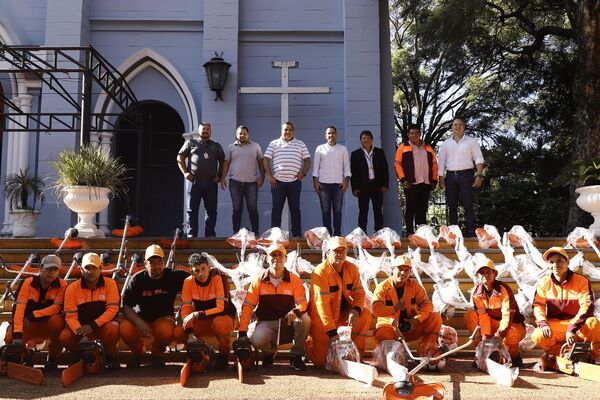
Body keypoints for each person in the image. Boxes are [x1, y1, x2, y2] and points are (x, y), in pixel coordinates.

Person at [237, 242, 310, 370]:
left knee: (305, 319)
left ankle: (296, 356)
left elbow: (303, 303)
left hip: (288, 322)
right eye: (273, 255)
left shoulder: (294, 279)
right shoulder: (259, 280)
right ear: (267, 258)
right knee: (257, 340)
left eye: (280, 255)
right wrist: (242, 332)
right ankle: (270, 352)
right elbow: (248, 306)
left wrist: (296, 311)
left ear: (286, 258)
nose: (276, 258)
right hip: (267, 322)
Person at [120, 244, 189, 368]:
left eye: (159, 261)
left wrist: (212, 271)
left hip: (164, 319)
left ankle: (156, 354)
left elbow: (197, 277)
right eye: (152, 262)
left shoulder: (174, 275)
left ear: (164, 261)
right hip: (141, 319)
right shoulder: (137, 279)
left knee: (166, 329)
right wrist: (138, 322)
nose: (157, 266)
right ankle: (137, 353)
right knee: (125, 327)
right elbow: (126, 307)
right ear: (145, 263)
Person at [307, 236, 372, 368]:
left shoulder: (352, 269)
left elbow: (359, 294)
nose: (340, 254)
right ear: (327, 253)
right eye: (336, 251)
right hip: (322, 320)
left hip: (342, 316)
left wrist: (356, 310)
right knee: (321, 362)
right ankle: (308, 344)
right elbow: (322, 306)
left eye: (343, 251)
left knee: (365, 314)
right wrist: (332, 333)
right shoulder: (320, 272)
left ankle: (356, 355)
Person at [532, 247, 600, 370]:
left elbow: (587, 305)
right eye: (551, 262)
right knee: (537, 334)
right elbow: (538, 306)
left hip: (577, 326)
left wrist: (573, 327)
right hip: (557, 325)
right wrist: (543, 324)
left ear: (567, 263)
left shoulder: (581, 281)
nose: (555, 265)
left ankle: (593, 356)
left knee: (593, 323)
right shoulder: (544, 282)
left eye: (559, 261)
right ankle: (560, 354)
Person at [5, 254, 67, 370]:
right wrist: (17, 335)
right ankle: (25, 355)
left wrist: (33, 315)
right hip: (27, 324)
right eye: (48, 268)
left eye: (55, 269)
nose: (51, 272)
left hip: (47, 325)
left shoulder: (63, 285)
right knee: (10, 337)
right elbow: (19, 308)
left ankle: (53, 358)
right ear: (41, 268)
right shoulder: (27, 283)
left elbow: (56, 308)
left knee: (58, 321)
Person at [372, 255, 442, 358]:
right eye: (400, 269)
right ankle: (391, 356)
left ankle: (426, 352)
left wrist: (417, 320)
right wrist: (394, 309)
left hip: (410, 327)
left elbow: (427, 305)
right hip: (390, 329)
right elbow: (376, 310)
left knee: (435, 318)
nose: (403, 273)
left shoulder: (415, 286)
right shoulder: (382, 287)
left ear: (410, 272)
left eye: (406, 270)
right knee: (381, 333)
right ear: (392, 270)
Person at [60, 252, 120, 369]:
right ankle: (81, 356)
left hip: (101, 327)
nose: (91, 271)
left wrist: (93, 326)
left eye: (94, 268)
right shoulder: (72, 288)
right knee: (65, 336)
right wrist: (80, 334)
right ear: (81, 269)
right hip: (81, 329)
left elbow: (113, 310)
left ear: (100, 268)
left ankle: (109, 356)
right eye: (87, 268)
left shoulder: (111, 284)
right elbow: (70, 316)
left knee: (113, 328)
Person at [464, 257, 526, 366]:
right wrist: (485, 339)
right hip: (492, 324)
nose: (485, 275)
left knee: (510, 335)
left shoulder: (504, 289)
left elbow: (507, 315)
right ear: (477, 276)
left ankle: (514, 355)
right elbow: (483, 316)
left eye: (488, 272)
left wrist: (500, 334)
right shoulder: (476, 293)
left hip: (512, 325)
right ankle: (482, 353)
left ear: (495, 274)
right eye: (481, 273)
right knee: (470, 315)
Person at [180, 253, 236, 370]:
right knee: (177, 332)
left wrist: (196, 314)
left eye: (203, 269)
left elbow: (222, 308)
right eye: (196, 270)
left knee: (221, 323)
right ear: (191, 270)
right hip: (204, 320)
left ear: (209, 267)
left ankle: (223, 355)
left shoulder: (218, 278)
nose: (200, 273)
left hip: (223, 317)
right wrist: (189, 333)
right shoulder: (188, 282)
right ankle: (202, 350)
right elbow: (185, 309)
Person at [437, 117, 484, 237]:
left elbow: (478, 158)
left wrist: (479, 175)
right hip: (451, 176)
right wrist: (440, 177)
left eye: (460, 125)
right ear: (452, 127)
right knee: (452, 205)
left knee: (468, 204)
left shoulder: (471, 141)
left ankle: (472, 233)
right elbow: (441, 161)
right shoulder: (446, 143)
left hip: (466, 176)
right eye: (455, 125)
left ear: (464, 127)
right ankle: (453, 234)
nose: (457, 127)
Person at [263, 121, 311, 238]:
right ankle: (274, 235)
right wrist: (270, 176)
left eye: (290, 130)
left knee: (295, 209)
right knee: (276, 209)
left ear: (293, 131)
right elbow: (265, 159)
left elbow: (307, 160)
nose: (288, 132)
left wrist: (303, 173)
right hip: (277, 182)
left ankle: (297, 235)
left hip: (294, 183)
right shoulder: (274, 143)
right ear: (282, 131)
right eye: (285, 130)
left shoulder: (300, 144)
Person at [177, 122, 225, 237]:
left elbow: (223, 161)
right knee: (192, 210)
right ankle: (191, 235)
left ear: (211, 131)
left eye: (208, 129)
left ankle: (210, 236)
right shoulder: (191, 143)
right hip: (195, 182)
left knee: (211, 211)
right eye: (203, 129)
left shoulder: (216, 145)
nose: (206, 131)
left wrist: (219, 176)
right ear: (198, 131)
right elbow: (180, 157)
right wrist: (185, 173)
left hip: (211, 183)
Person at [221, 125, 265, 235]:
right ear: (236, 135)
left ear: (248, 134)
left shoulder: (256, 146)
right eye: (240, 133)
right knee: (237, 209)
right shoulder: (230, 147)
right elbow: (226, 163)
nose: (242, 135)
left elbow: (261, 162)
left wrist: (262, 177)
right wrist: (223, 178)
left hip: (251, 183)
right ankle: (236, 234)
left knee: (252, 208)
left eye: (244, 133)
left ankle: (256, 233)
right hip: (235, 183)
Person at [395, 124, 438, 236]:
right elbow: (397, 164)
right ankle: (410, 234)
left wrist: (434, 180)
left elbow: (434, 165)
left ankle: (422, 235)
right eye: (412, 133)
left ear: (420, 134)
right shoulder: (403, 147)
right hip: (410, 183)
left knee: (422, 209)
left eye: (416, 133)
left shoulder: (428, 147)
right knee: (410, 209)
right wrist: (403, 179)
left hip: (425, 183)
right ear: (408, 135)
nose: (414, 135)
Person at [312, 125, 351, 236]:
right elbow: (316, 167)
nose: (331, 135)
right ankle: (327, 235)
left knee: (338, 211)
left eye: (333, 133)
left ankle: (337, 235)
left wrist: (346, 182)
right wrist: (315, 181)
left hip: (338, 185)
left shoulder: (343, 149)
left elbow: (347, 167)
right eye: (329, 133)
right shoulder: (320, 149)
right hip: (323, 185)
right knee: (325, 211)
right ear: (325, 135)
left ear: (336, 135)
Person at [350, 130, 389, 233]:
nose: (366, 140)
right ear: (360, 141)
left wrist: (385, 185)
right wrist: (354, 188)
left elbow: (385, 169)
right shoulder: (355, 154)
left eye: (368, 138)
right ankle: (362, 233)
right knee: (363, 211)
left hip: (377, 186)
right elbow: (353, 172)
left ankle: (378, 233)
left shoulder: (380, 152)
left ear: (372, 140)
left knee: (378, 211)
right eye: (364, 138)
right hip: (363, 187)